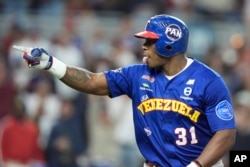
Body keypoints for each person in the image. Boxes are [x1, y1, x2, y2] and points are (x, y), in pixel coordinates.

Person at [13, 14, 236, 167]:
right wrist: (53, 64)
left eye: (150, 42)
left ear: (169, 44)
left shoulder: (208, 81)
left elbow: (226, 133)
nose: (144, 47)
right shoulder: (136, 75)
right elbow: (91, 81)